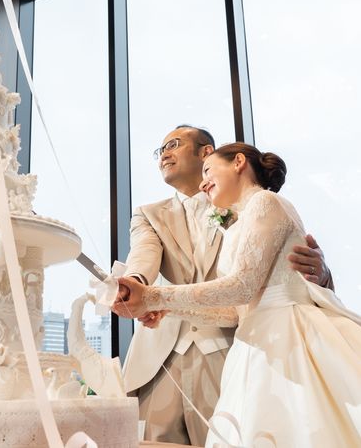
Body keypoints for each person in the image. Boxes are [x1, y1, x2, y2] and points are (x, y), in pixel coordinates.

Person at [115, 142, 361, 447]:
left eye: (208, 170)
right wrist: (164, 307)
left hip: (287, 335)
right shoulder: (233, 222)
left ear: (238, 162)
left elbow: (242, 285)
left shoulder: (265, 201)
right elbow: (232, 312)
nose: (203, 183)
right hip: (252, 341)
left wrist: (155, 297)